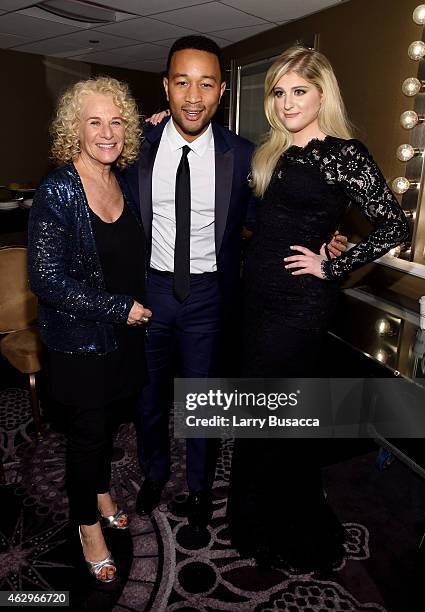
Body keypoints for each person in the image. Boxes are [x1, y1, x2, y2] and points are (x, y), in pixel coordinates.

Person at [124, 36, 346, 529]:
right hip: (151, 292)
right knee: (149, 397)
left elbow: (275, 215)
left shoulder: (244, 155)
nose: (193, 95)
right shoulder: (137, 145)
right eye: (182, 82)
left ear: (222, 91)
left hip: (208, 297)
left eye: (206, 83)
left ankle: (201, 490)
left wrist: (325, 236)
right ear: (166, 87)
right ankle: (154, 474)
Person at [227, 46, 409, 572]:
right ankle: (256, 514)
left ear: (322, 93)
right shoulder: (273, 153)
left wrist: (332, 265)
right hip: (257, 300)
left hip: (298, 306)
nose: (286, 102)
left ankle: (283, 522)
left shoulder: (344, 154)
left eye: (298, 91)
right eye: (279, 93)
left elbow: (394, 224)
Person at [28, 77, 152, 582]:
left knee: (106, 427)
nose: (107, 133)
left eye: (116, 121)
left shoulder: (121, 179)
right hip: (80, 342)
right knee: (84, 437)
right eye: (94, 122)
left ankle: (101, 491)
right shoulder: (58, 190)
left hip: (122, 337)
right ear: (74, 130)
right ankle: (87, 527)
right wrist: (118, 308)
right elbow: (46, 280)